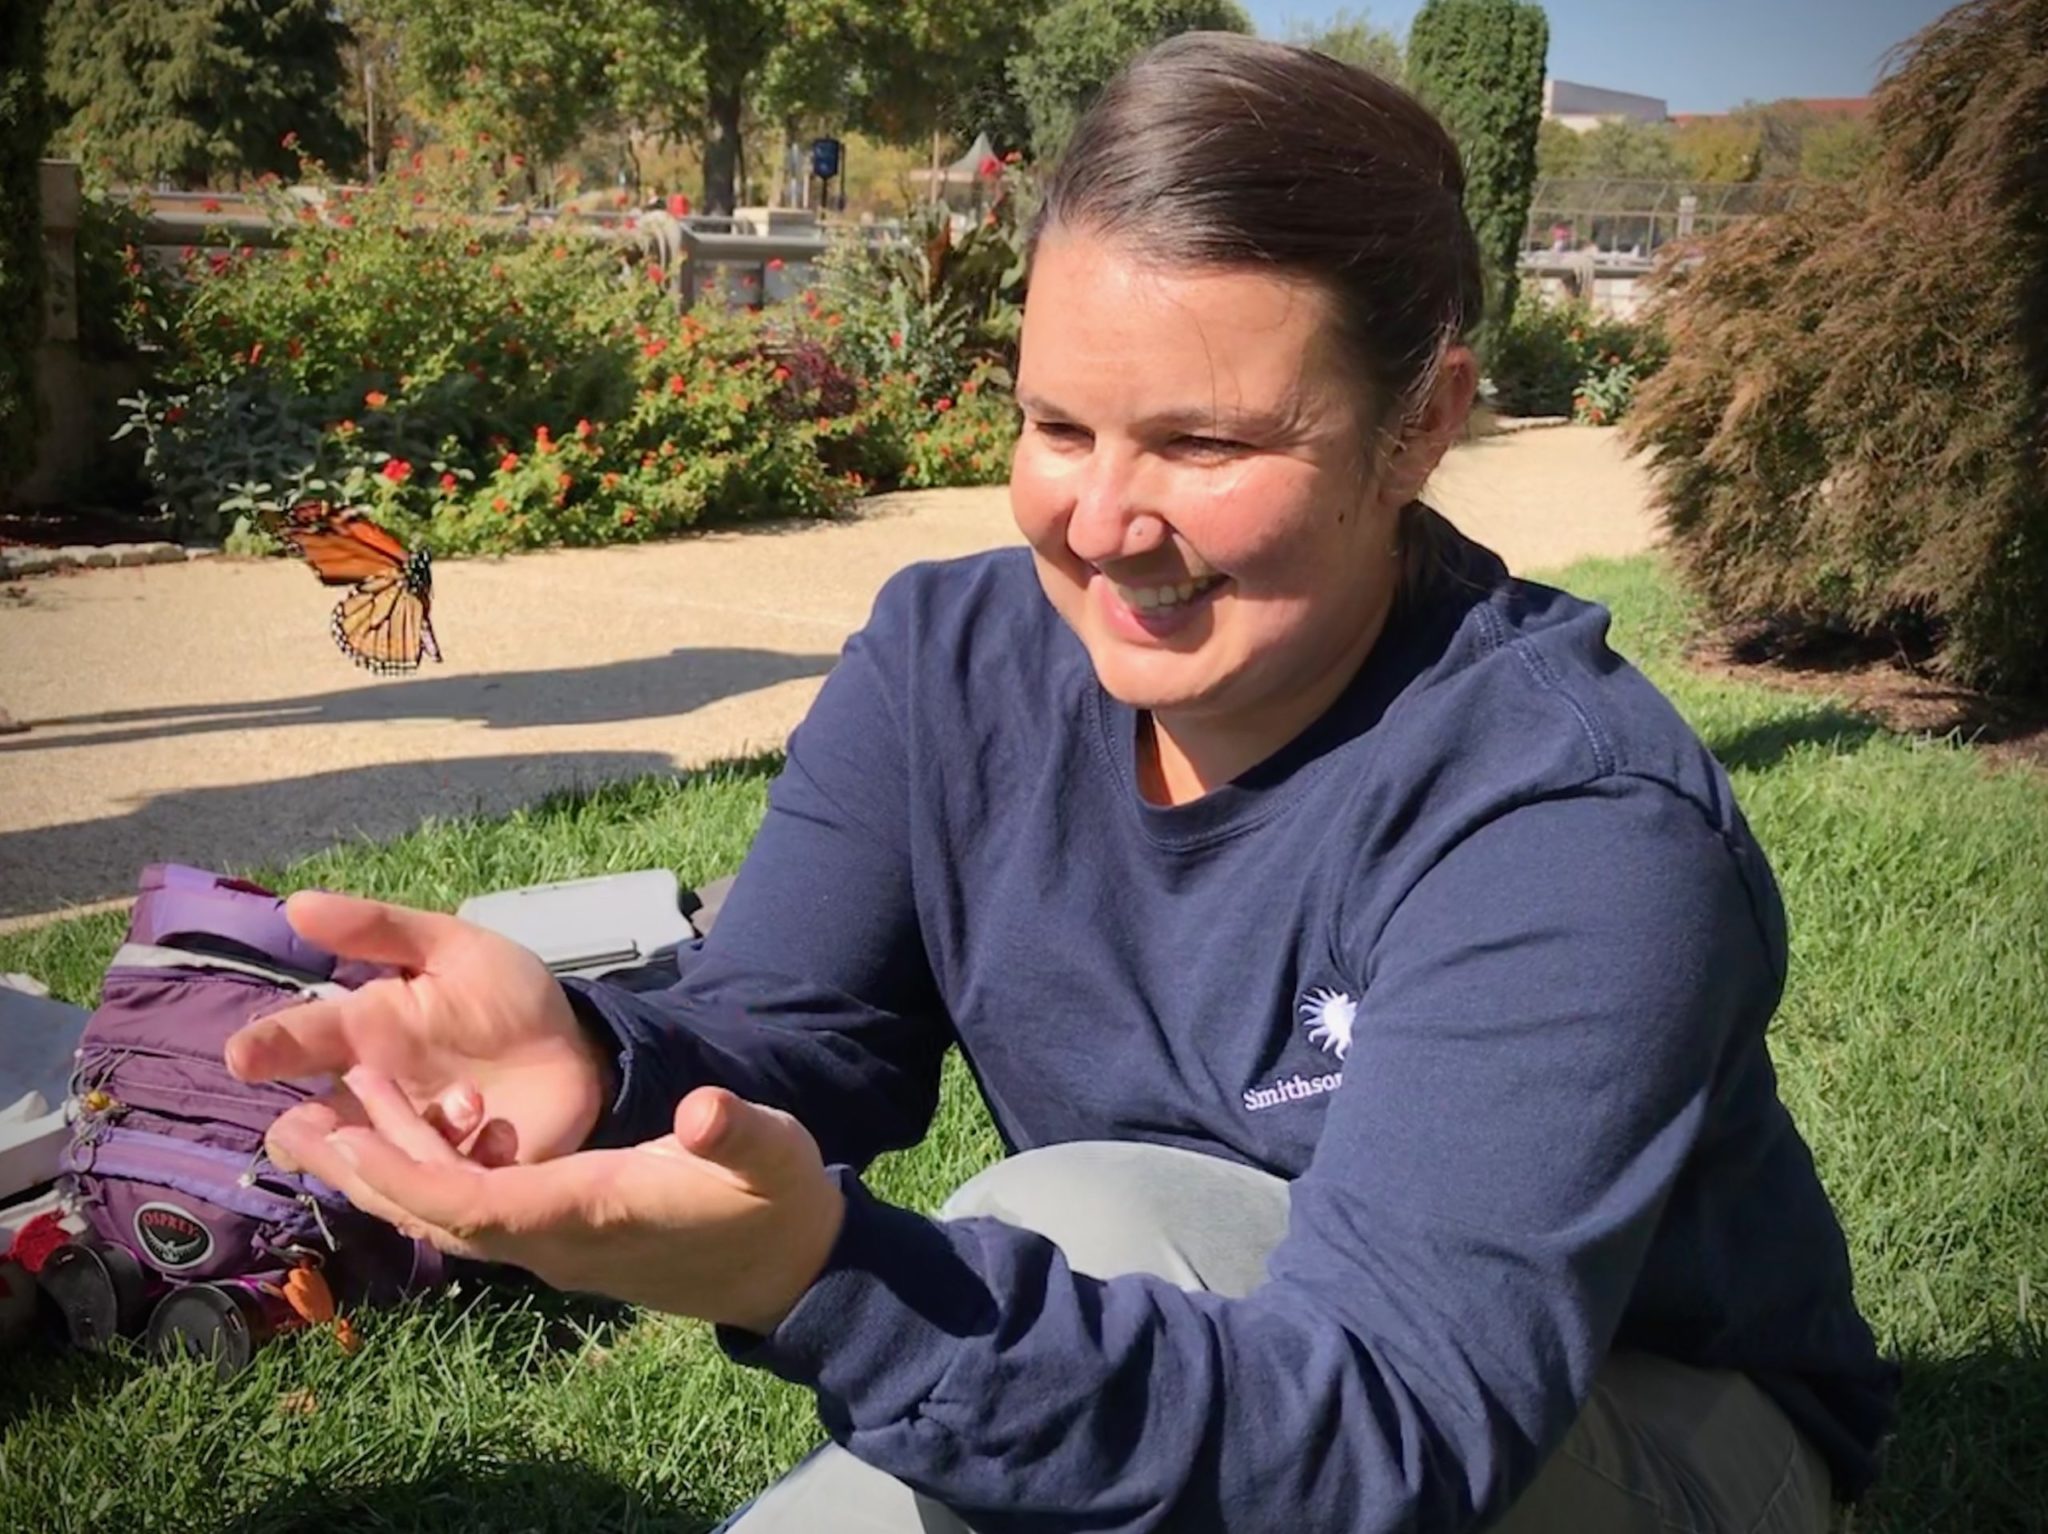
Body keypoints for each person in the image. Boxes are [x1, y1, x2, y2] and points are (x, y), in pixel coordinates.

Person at [224, 34, 1898, 1534]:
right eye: (1056, 425)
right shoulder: (951, 659)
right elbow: (808, 1041)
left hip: (1620, 1423)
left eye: (1206, 444)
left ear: (1425, 421)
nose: (1099, 522)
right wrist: (602, 1059)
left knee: (1072, 1212)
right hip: (1181, 1329)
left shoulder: (1566, 824)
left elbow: (1389, 1433)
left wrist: (839, 1282)